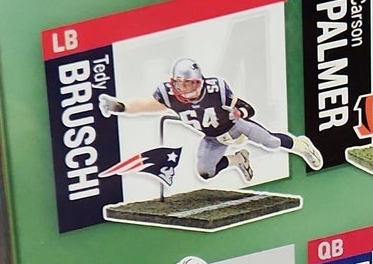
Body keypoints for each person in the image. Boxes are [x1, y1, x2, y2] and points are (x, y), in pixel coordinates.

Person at [101, 58, 322, 186]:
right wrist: (121, 106)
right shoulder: (168, 95)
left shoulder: (217, 89)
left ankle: (301, 145)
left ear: (199, 81)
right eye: (179, 83)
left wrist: (240, 113)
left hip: (235, 127)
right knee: (205, 172)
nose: (183, 88)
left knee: (272, 143)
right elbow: (144, 105)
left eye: (188, 83)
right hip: (213, 137)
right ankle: (238, 159)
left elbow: (247, 107)